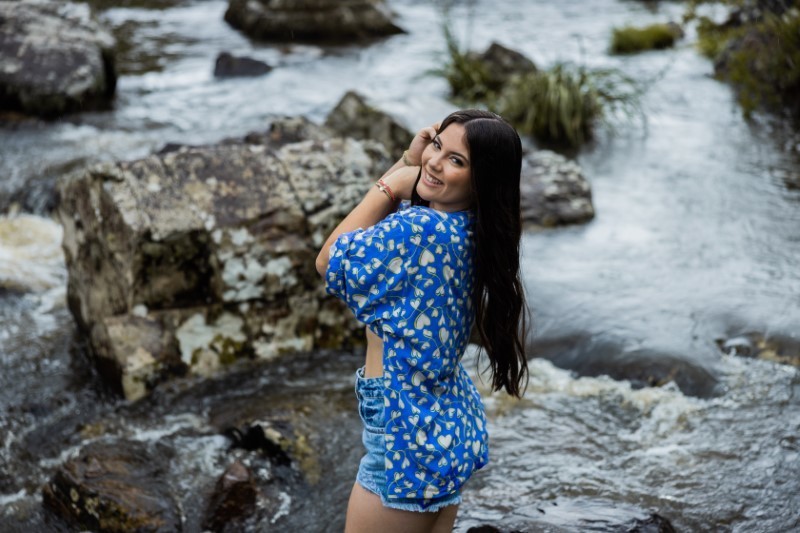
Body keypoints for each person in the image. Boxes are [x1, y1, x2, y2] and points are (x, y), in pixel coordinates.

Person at [315, 109, 529, 533]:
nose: (434, 162)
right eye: (437, 146)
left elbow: (330, 260)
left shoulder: (422, 230)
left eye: (456, 160)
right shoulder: (471, 229)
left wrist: (393, 183)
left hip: (400, 437)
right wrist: (408, 164)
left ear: (481, 180)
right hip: (439, 426)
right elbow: (376, 237)